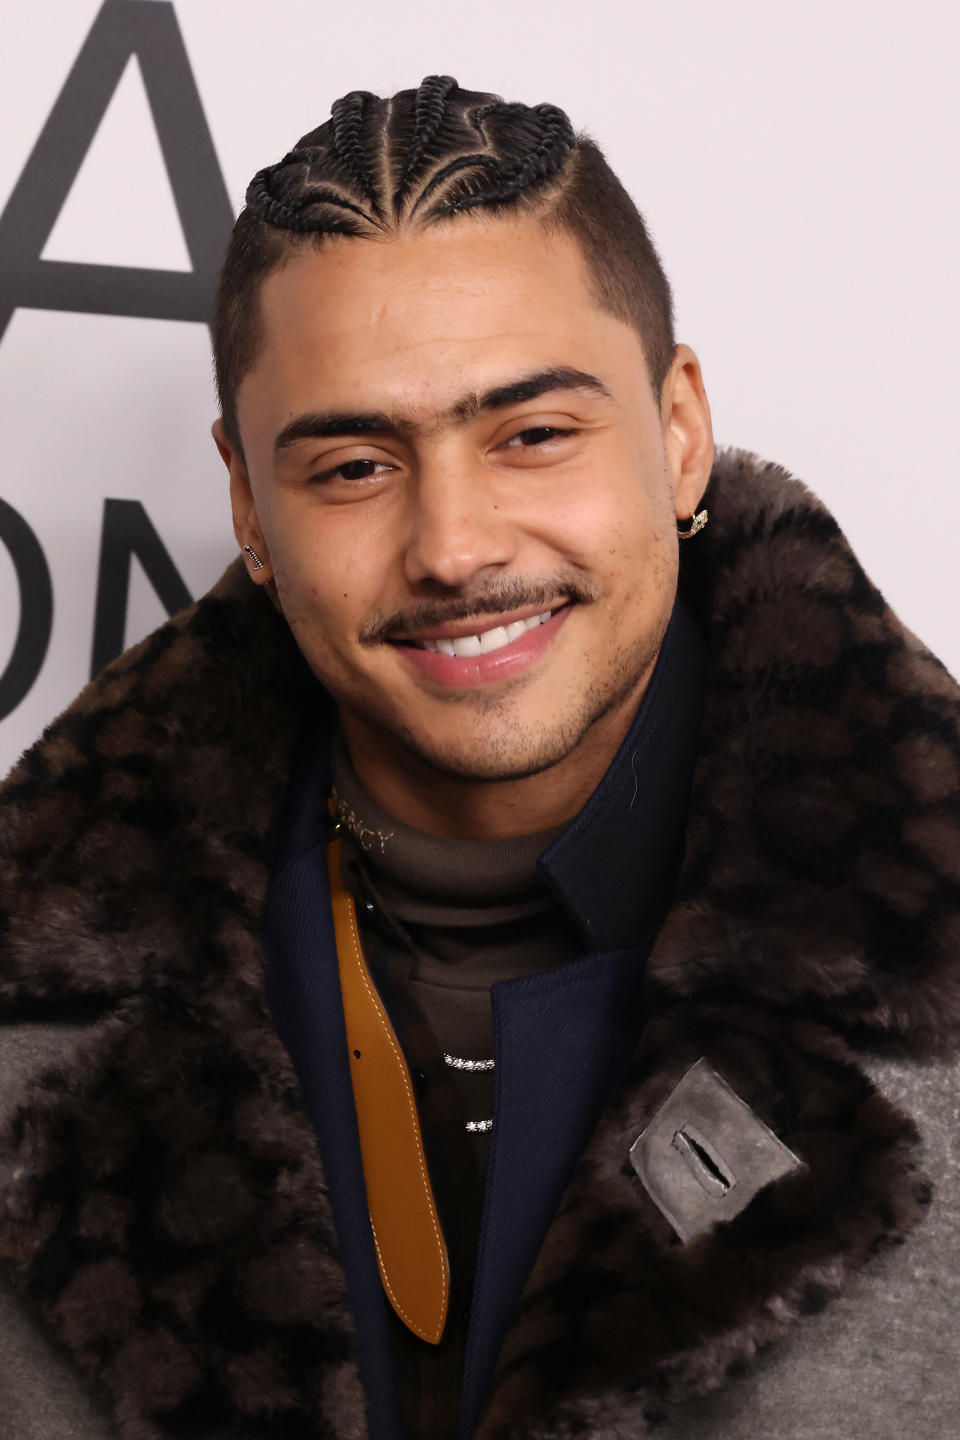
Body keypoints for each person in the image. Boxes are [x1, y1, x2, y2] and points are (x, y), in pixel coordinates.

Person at [1, 75, 958, 1440]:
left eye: (533, 435)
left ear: (678, 432)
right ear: (248, 510)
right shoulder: (38, 1015)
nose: (453, 545)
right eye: (352, 467)